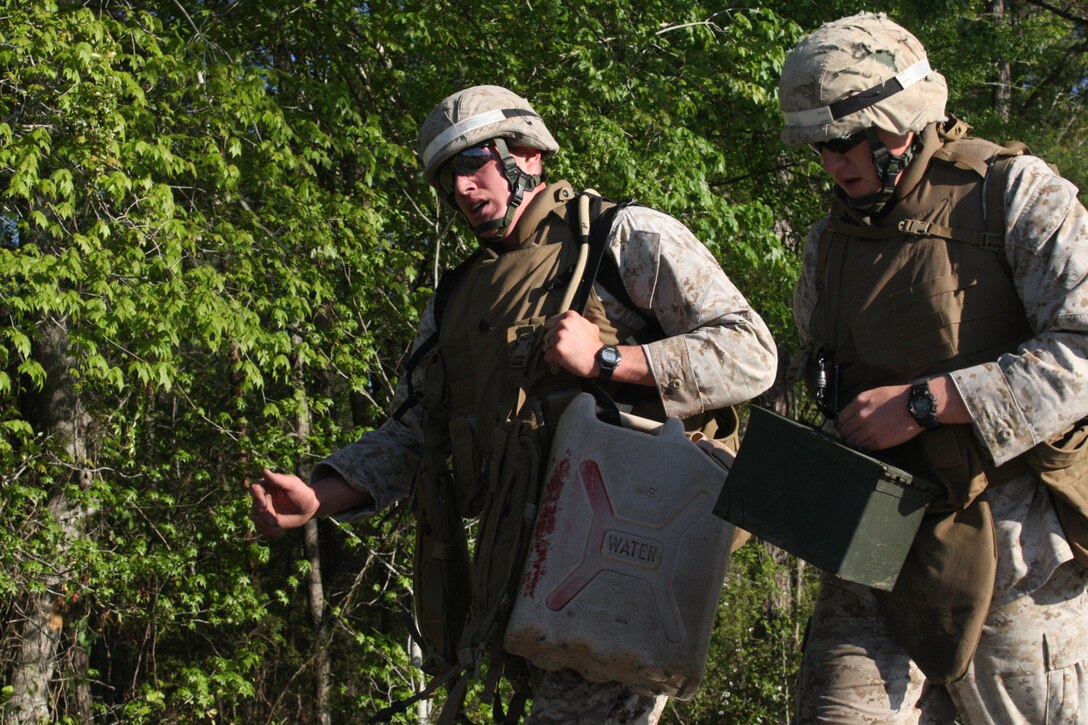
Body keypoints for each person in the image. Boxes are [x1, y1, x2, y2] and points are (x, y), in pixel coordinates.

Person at [249, 84, 777, 723]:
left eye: (474, 165)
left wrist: (611, 360)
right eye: (448, 180)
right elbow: (414, 431)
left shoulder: (621, 237)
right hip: (518, 572)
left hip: (627, 556)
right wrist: (320, 496)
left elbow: (751, 353)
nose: (462, 191)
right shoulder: (457, 299)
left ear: (527, 153)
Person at [779, 12, 1088, 723]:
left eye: (845, 140)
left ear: (901, 117)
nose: (832, 162)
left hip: (1014, 545)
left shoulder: (1012, 194)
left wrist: (929, 401)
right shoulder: (830, 239)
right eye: (819, 146)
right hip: (870, 540)